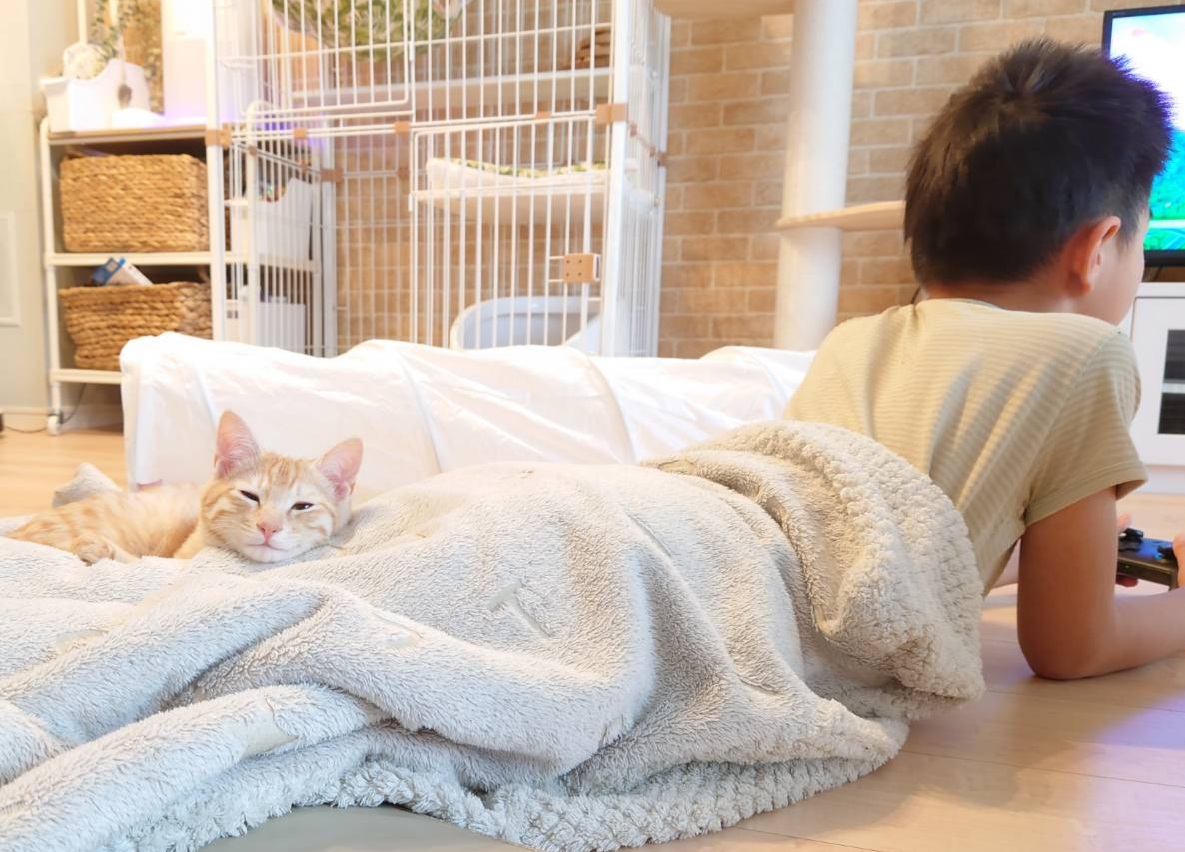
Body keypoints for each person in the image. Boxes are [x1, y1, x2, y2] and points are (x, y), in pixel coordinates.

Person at [786, 38, 1178, 680]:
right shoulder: (1084, 354)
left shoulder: (853, 340)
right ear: (1098, 249)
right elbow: (1073, 648)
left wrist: (1049, 561)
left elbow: (857, 556)